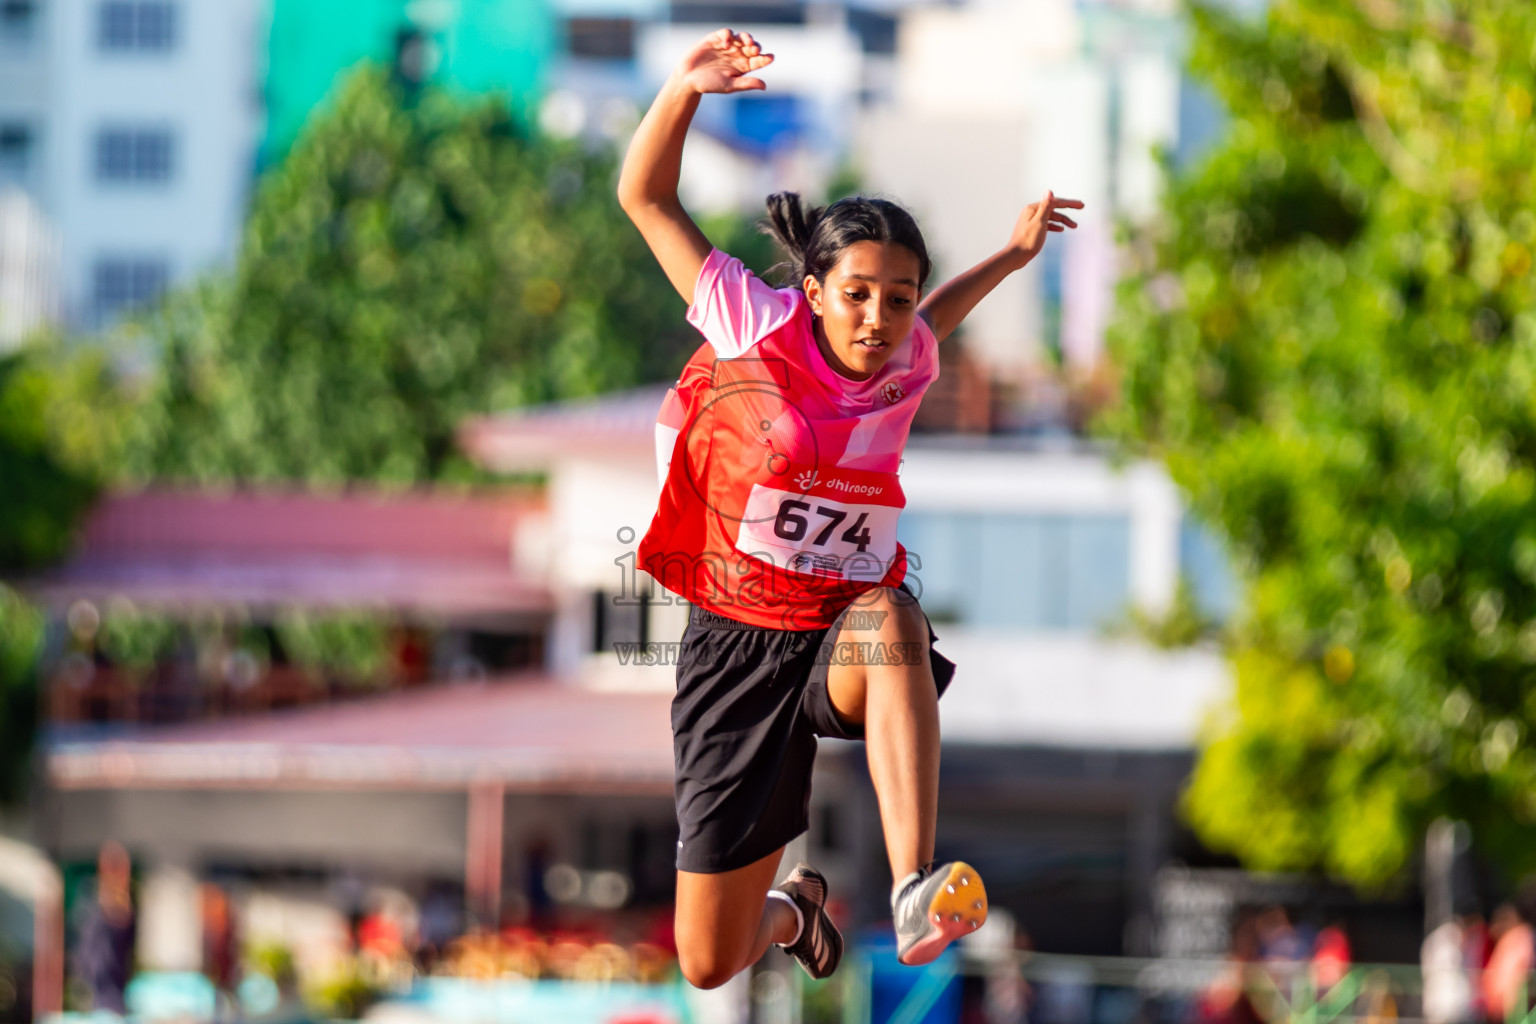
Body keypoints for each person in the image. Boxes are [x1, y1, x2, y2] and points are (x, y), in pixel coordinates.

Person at [617, 27, 1082, 989]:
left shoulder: (910, 349)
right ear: (818, 289)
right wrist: (684, 89)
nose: (881, 318)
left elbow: (939, 318)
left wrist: (1011, 253)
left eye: (898, 298)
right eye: (860, 294)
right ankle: (796, 909)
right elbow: (645, 197)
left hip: (837, 633)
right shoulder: (756, 320)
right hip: (733, 643)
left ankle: (915, 882)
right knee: (709, 961)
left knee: (895, 616)